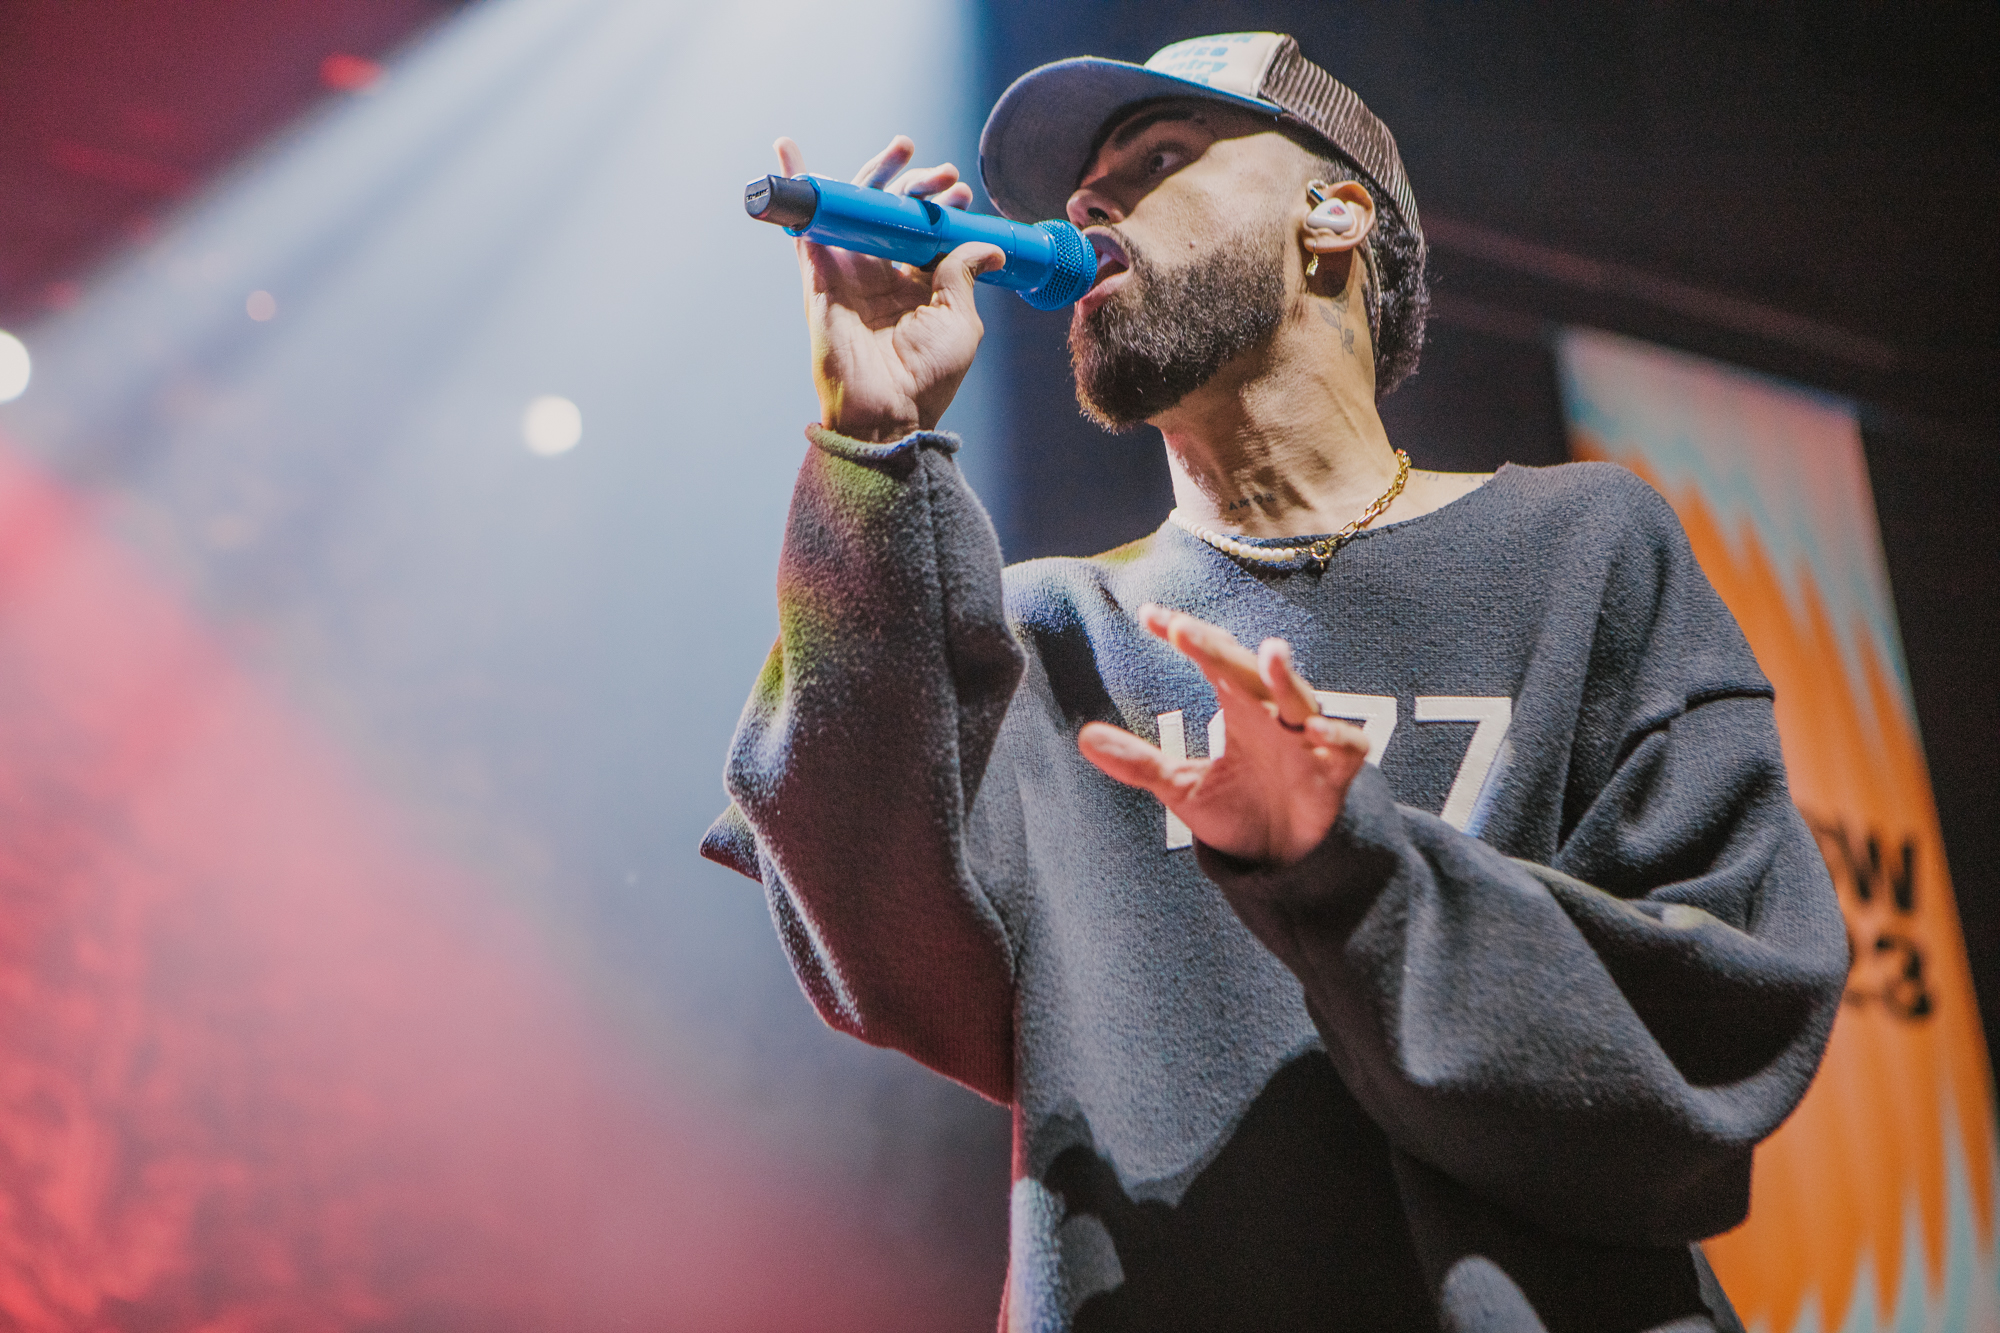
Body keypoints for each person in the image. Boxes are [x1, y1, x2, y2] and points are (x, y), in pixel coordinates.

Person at [702, 31, 1846, 1333]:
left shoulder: (1581, 548)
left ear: (1334, 214)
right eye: (1082, 194)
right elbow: (885, 956)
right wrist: (870, 445)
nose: (1091, 207)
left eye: (1160, 158)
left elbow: (1716, 1028)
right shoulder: (1049, 631)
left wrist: (1343, 869)